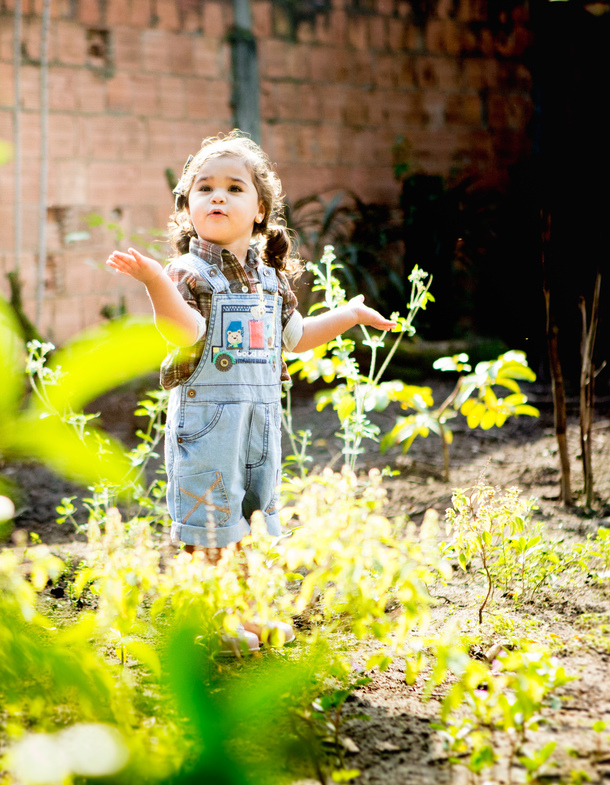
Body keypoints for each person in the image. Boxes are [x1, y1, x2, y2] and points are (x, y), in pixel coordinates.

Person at [106, 131, 396, 653]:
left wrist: (349, 314)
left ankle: (246, 612)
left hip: (258, 426)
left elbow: (297, 338)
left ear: (260, 209)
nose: (217, 197)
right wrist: (154, 281)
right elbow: (184, 332)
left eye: (234, 188)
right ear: (187, 206)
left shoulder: (269, 279)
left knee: (249, 521)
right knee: (210, 526)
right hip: (208, 426)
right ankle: (210, 619)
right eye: (205, 188)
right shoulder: (186, 272)